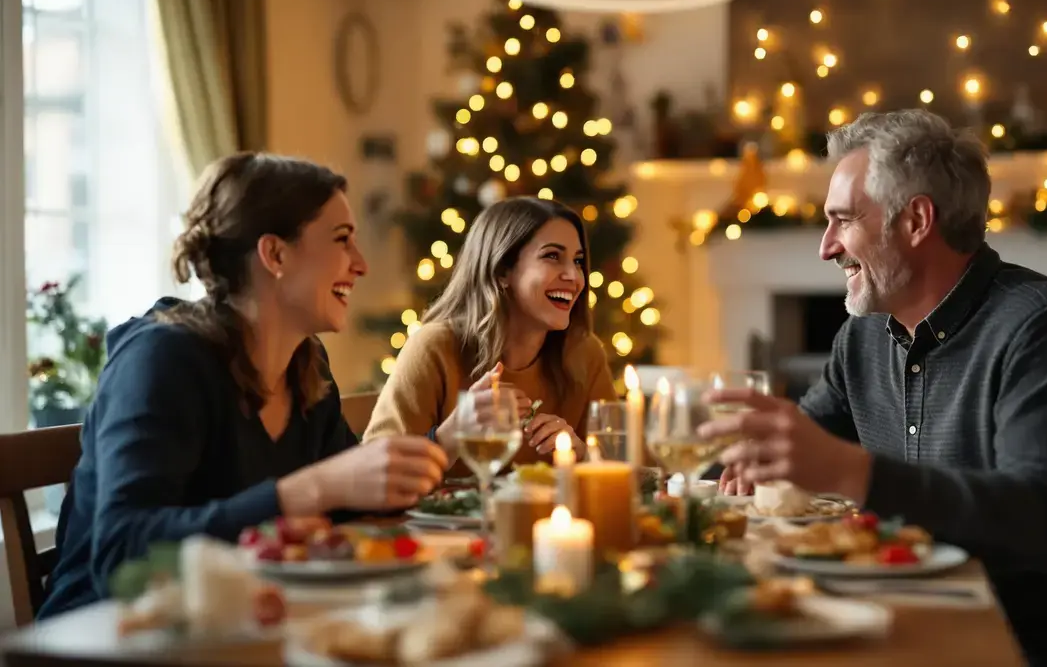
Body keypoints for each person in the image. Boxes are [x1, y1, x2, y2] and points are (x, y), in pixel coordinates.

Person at [707, 110, 1047, 666]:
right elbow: (789, 446)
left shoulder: (1045, 330)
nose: (826, 247)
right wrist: (679, 488)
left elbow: (1044, 523)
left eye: (843, 220)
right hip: (906, 619)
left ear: (916, 220)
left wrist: (850, 471)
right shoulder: (862, 338)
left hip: (1028, 646)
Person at [39, 153, 448, 618]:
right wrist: (306, 492)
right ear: (274, 254)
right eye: (341, 240)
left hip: (243, 622)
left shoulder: (307, 364)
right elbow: (122, 552)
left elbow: (348, 506)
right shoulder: (163, 360)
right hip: (108, 635)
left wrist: (425, 458)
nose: (360, 265)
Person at [365, 197, 617, 471]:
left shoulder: (584, 353)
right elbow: (373, 471)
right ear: (501, 271)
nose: (574, 276)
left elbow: (625, 469)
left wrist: (582, 455)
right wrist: (453, 433)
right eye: (552, 256)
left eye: (578, 261)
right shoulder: (434, 347)